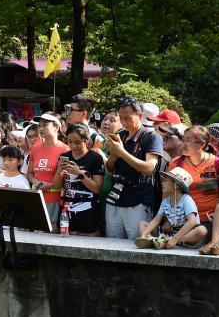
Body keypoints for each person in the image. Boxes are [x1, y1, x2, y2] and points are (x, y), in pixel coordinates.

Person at [103, 97, 164, 239]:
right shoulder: (119, 135)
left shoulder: (151, 137)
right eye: (121, 118)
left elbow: (149, 168)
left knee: (136, 242)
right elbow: (109, 169)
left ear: (140, 116)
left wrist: (121, 152)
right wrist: (113, 155)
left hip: (138, 198)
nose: (124, 122)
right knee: (112, 243)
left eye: (128, 118)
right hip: (115, 195)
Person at [167, 126, 219, 230]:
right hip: (182, 222)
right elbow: (168, 192)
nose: (183, 145)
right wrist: (167, 219)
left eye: (188, 141)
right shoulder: (176, 164)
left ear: (202, 144)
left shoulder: (218, 163)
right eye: (183, 140)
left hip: (210, 222)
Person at [53, 123, 105, 236]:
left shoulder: (95, 158)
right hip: (66, 210)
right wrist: (59, 171)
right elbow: (56, 186)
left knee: (88, 241)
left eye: (77, 142)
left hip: (88, 209)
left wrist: (79, 174)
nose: (73, 146)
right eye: (69, 141)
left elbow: (97, 189)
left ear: (86, 140)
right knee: (67, 241)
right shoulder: (64, 156)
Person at [135, 167, 206, 249]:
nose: (162, 183)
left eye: (165, 181)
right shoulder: (166, 201)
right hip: (170, 232)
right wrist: (144, 235)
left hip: (185, 235)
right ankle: (152, 240)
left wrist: (175, 239)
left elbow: (192, 221)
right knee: (142, 224)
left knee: (201, 230)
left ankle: (168, 241)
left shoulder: (186, 200)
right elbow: (156, 220)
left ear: (176, 185)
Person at [27, 113, 69, 231]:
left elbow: (66, 178)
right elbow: (29, 173)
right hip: (37, 198)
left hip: (54, 199)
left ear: (56, 127)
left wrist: (47, 186)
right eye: (39, 125)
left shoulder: (65, 149)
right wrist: (37, 183)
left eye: (45, 125)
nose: (40, 128)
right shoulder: (35, 148)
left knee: (50, 234)